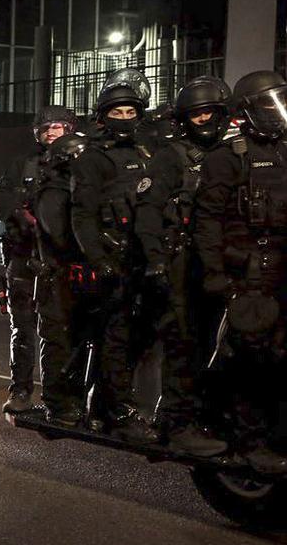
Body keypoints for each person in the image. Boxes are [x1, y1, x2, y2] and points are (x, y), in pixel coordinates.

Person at [193, 70, 287, 474]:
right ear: (246, 113)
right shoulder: (228, 157)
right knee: (250, 362)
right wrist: (216, 273)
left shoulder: (285, 151)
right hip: (248, 273)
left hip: (282, 273)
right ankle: (247, 443)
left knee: (278, 361)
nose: (277, 112)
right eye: (267, 104)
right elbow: (208, 221)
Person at [134, 77, 232, 456]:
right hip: (180, 262)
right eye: (196, 113)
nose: (204, 118)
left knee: (217, 344)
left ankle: (197, 415)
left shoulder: (231, 154)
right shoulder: (171, 156)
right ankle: (176, 423)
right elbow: (148, 212)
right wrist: (156, 261)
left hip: (220, 261)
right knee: (184, 342)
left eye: (209, 111)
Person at [70, 69, 158, 443]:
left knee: (145, 338)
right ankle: (117, 411)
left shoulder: (148, 151)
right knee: (115, 338)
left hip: (146, 258)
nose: (124, 118)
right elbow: (82, 215)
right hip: (113, 258)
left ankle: (110, 403)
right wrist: (99, 259)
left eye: (130, 112)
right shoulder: (93, 158)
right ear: (103, 115)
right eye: (116, 112)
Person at [0, 105, 76, 413]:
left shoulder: (80, 162)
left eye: (58, 127)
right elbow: (3, 198)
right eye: (46, 129)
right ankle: (20, 390)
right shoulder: (23, 164)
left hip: (62, 258)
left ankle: (58, 395)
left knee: (58, 328)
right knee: (23, 327)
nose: (52, 132)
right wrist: (20, 214)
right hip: (25, 255)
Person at [30, 132, 102, 424]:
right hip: (57, 279)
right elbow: (62, 237)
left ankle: (84, 400)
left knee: (87, 338)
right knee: (60, 342)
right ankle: (58, 404)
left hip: (81, 279)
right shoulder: (53, 193)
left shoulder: (82, 189)